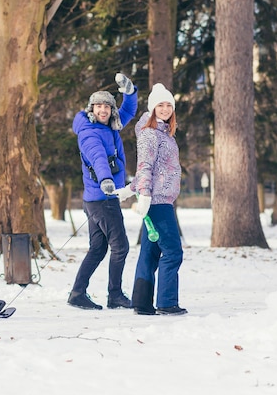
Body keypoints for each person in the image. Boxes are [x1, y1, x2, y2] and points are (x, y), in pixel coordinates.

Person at [67, 72, 138, 310]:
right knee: (121, 247)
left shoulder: (111, 127)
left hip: (97, 198)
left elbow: (128, 112)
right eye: (98, 106)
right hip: (103, 197)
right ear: (91, 109)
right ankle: (115, 295)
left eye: (107, 106)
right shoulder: (90, 132)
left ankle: (77, 293)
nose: (103, 110)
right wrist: (107, 180)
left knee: (98, 248)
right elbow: (97, 156)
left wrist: (130, 92)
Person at [116, 83, 187, 316]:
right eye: (160, 105)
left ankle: (142, 302)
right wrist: (144, 195)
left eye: (169, 105)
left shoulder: (162, 133)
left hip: (157, 199)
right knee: (173, 251)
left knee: (150, 253)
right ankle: (167, 302)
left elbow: (150, 170)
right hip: (157, 202)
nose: (165, 109)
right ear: (152, 108)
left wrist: (130, 189)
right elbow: (144, 166)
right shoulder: (149, 134)